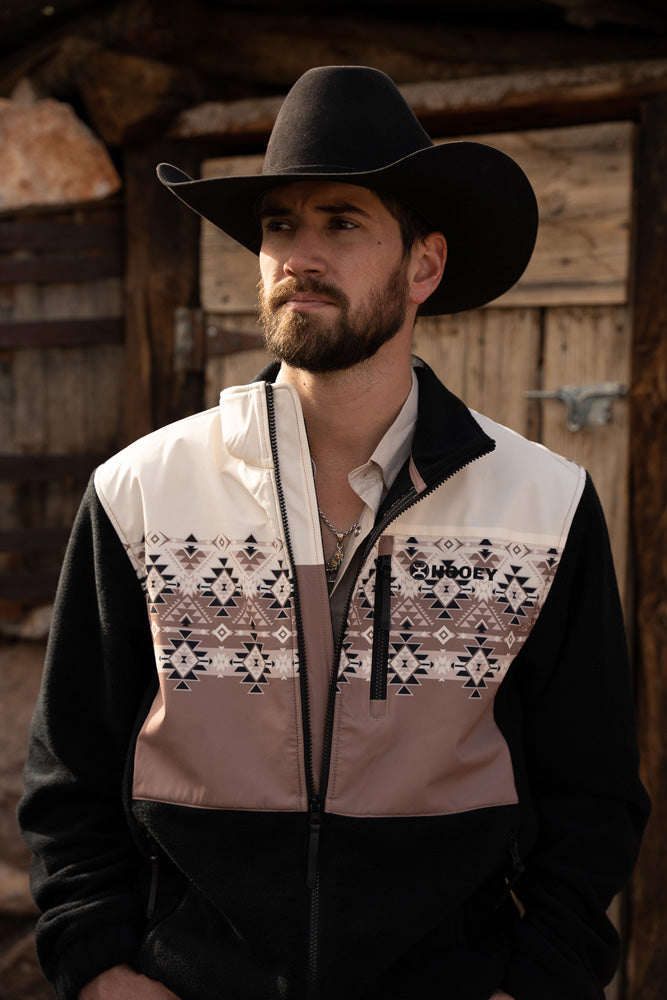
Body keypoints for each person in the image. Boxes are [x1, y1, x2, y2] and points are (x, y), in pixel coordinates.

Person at [19, 65, 649, 1000]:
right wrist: (101, 968)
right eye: (279, 224)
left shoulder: (540, 506)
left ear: (422, 267)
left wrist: (540, 978)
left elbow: (592, 795)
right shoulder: (142, 492)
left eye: (340, 222)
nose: (297, 254)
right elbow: (68, 776)